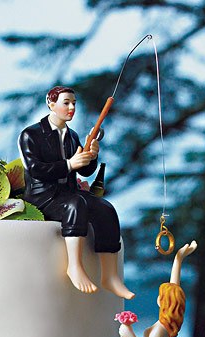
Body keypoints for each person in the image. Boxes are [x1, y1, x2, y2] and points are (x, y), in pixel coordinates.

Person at [18, 85, 134, 298]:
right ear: (51, 104)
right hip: (43, 196)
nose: (71, 108)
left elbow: (85, 170)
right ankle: (74, 266)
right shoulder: (31, 135)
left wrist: (92, 156)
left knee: (105, 209)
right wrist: (69, 164)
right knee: (76, 205)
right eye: (66, 103)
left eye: (74, 103)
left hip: (68, 192)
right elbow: (35, 169)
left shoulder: (72, 136)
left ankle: (110, 276)